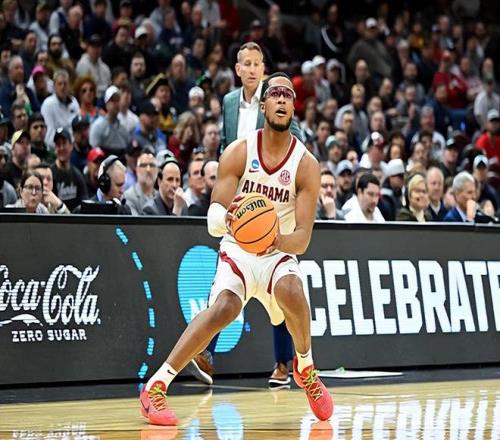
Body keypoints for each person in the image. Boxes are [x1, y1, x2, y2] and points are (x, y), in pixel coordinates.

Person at [139, 73, 333, 426]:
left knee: (293, 291)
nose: (281, 99)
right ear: (263, 106)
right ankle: (156, 386)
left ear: (293, 108)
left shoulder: (306, 165)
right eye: (274, 94)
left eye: (288, 95)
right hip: (239, 248)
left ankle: (305, 368)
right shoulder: (240, 151)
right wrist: (231, 222)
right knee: (223, 309)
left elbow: (303, 238)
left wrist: (275, 240)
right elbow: (214, 215)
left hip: (278, 251)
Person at [219, 42, 302, 154]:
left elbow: (297, 141)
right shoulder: (228, 100)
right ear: (238, 69)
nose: (252, 70)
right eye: (247, 64)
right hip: (234, 164)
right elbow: (224, 144)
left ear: (262, 69)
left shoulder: (274, 98)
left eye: (256, 64)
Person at [51, 127, 88, 212]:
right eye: (58, 144)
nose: (61, 148)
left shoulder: (77, 175)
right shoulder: (50, 174)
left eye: (64, 143)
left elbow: (84, 203)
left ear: (71, 146)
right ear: (55, 148)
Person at [89, 85, 130, 156]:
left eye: (118, 100)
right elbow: (93, 153)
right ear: (106, 104)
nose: (116, 104)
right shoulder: (97, 126)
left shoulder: (124, 128)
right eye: (112, 101)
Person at [124, 149, 158, 215]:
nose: (148, 169)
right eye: (144, 165)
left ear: (157, 170)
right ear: (136, 169)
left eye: (152, 165)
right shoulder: (128, 196)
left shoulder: (160, 196)